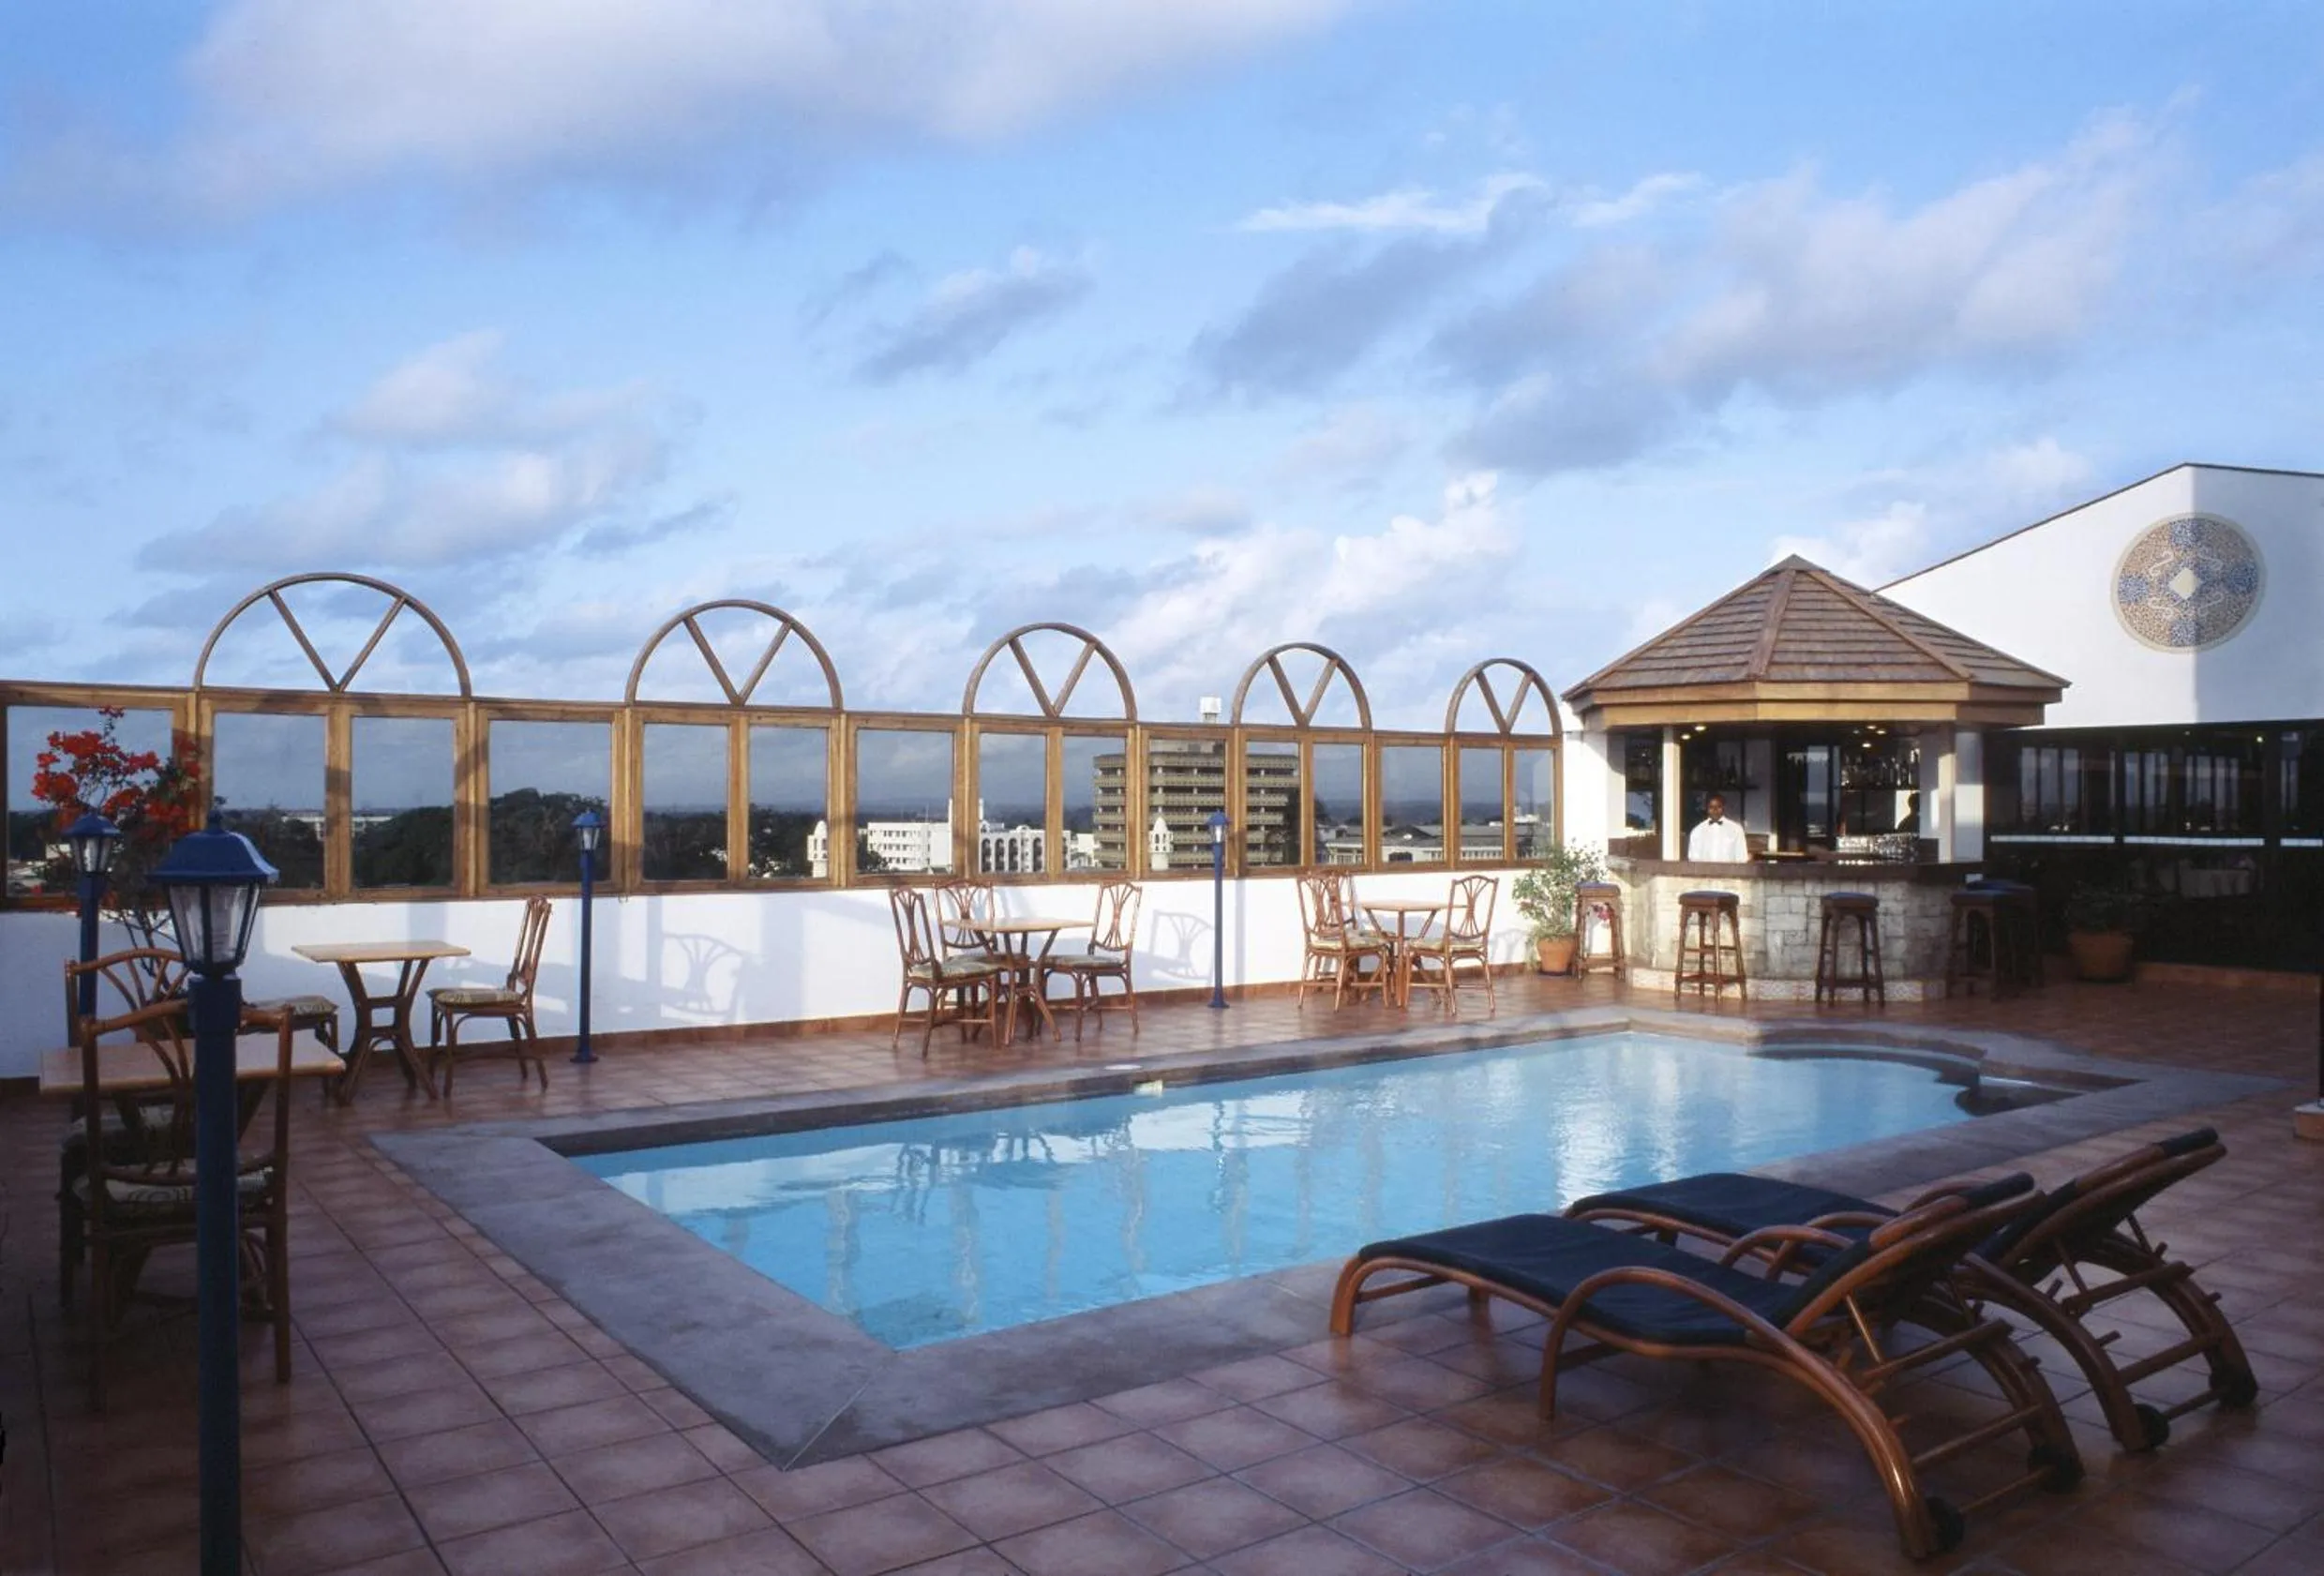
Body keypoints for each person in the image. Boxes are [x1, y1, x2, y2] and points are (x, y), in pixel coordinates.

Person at [1687, 793, 1749, 863]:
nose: (1715, 810)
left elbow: (1741, 857)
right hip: (1705, 872)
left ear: (1724, 807)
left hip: (1729, 872)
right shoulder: (1697, 831)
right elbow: (1693, 859)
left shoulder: (1736, 830)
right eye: (1711, 807)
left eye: (1718, 807)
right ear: (1706, 808)